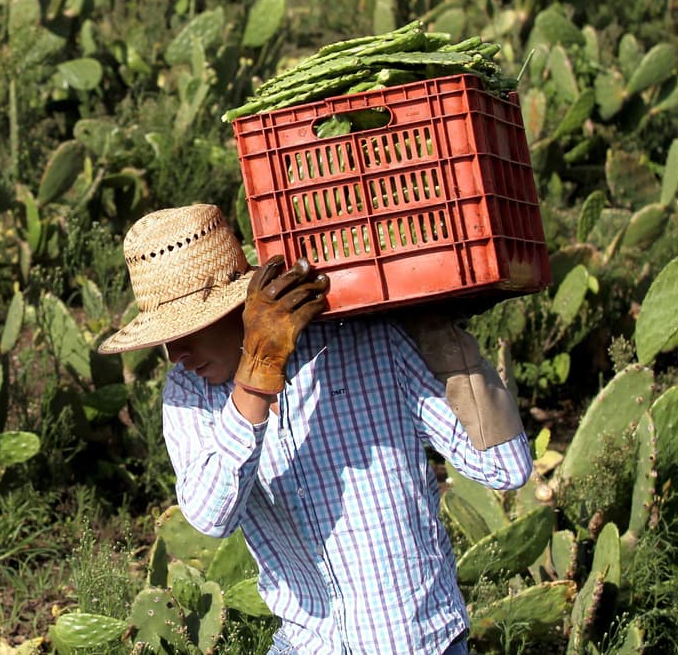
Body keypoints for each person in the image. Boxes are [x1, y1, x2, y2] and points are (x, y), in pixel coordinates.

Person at [97, 203, 532, 655]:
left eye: (188, 331)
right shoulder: (189, 391)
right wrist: (256, 380)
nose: (176, 353)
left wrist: (441, 334)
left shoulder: (369, 342)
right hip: (307, 642)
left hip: (414, 642)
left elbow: (505, 467)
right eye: (167, 338)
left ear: (239, 307)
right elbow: (211, 516)